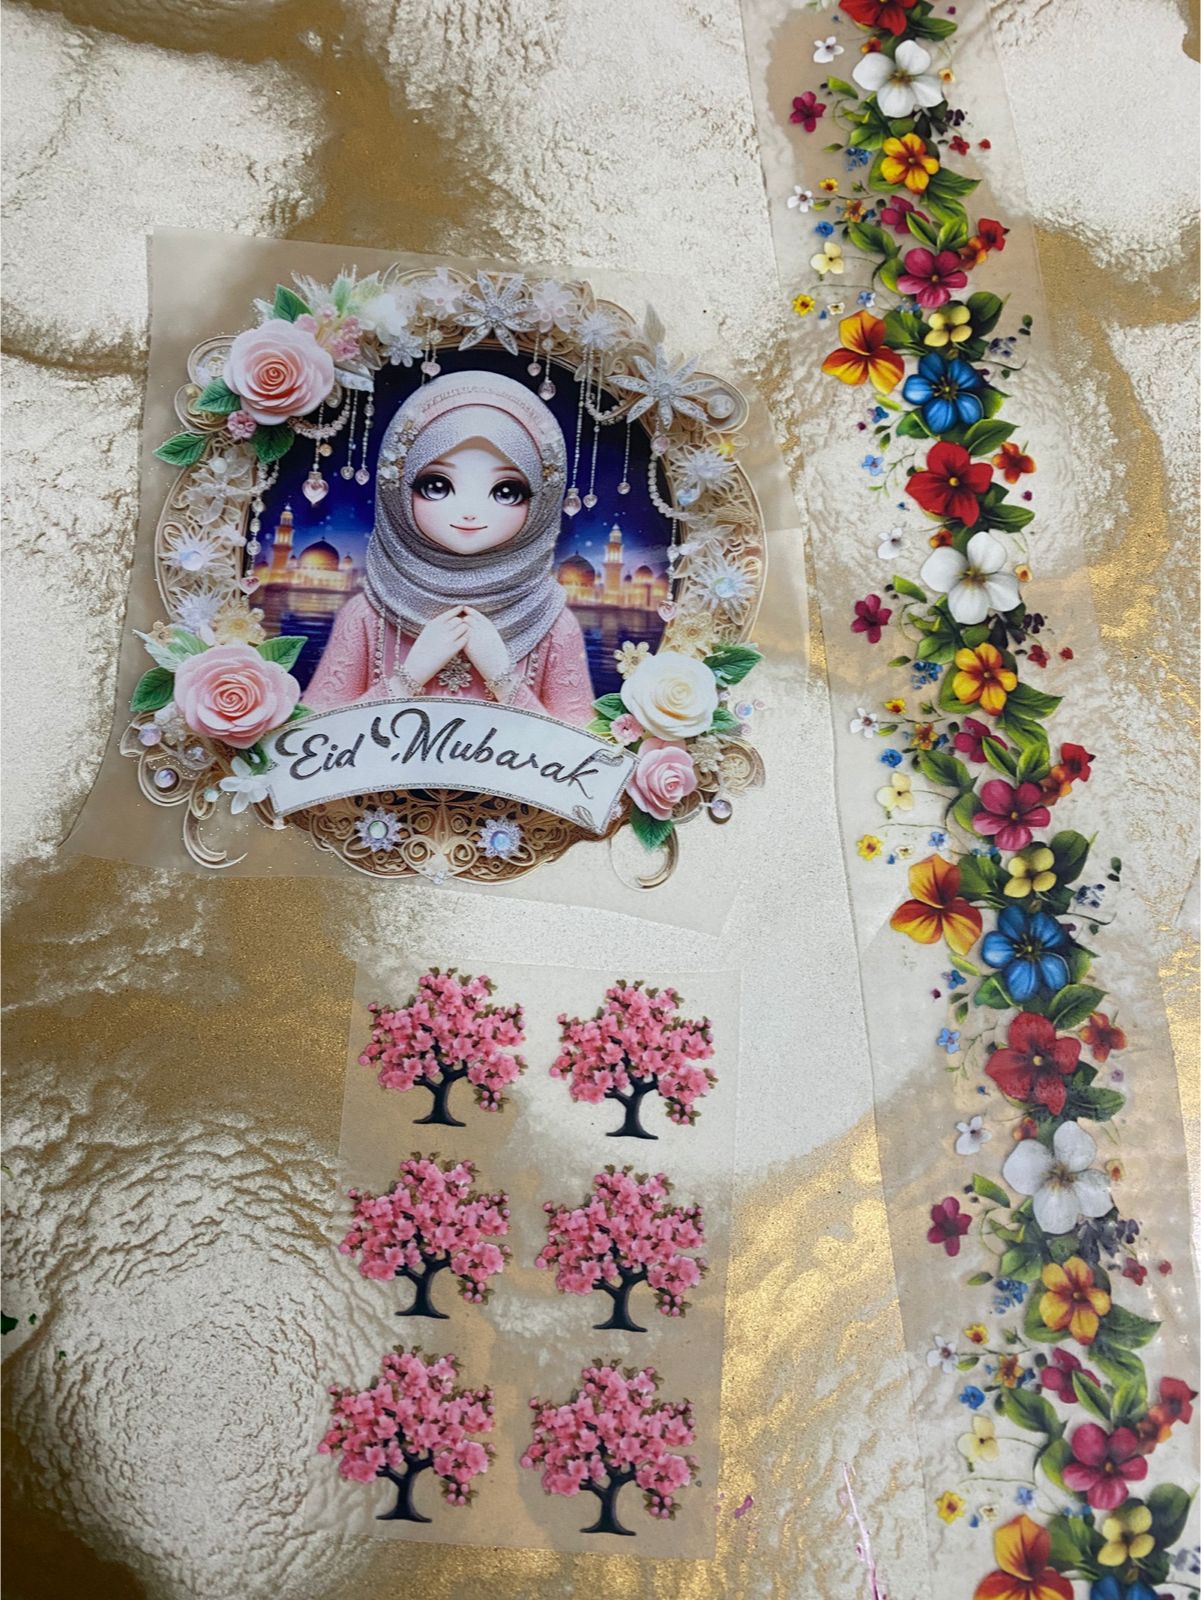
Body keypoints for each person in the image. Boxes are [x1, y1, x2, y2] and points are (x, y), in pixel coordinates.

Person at [305, 370, 594, 724]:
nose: (469, 512)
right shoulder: (367, 614)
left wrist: (503, 678)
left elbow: (586, 751)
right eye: (437, 486)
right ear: (397, 488)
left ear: (542, 501)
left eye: (506, 491)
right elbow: (310, 741)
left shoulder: (551, 621)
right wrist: (408, 677)